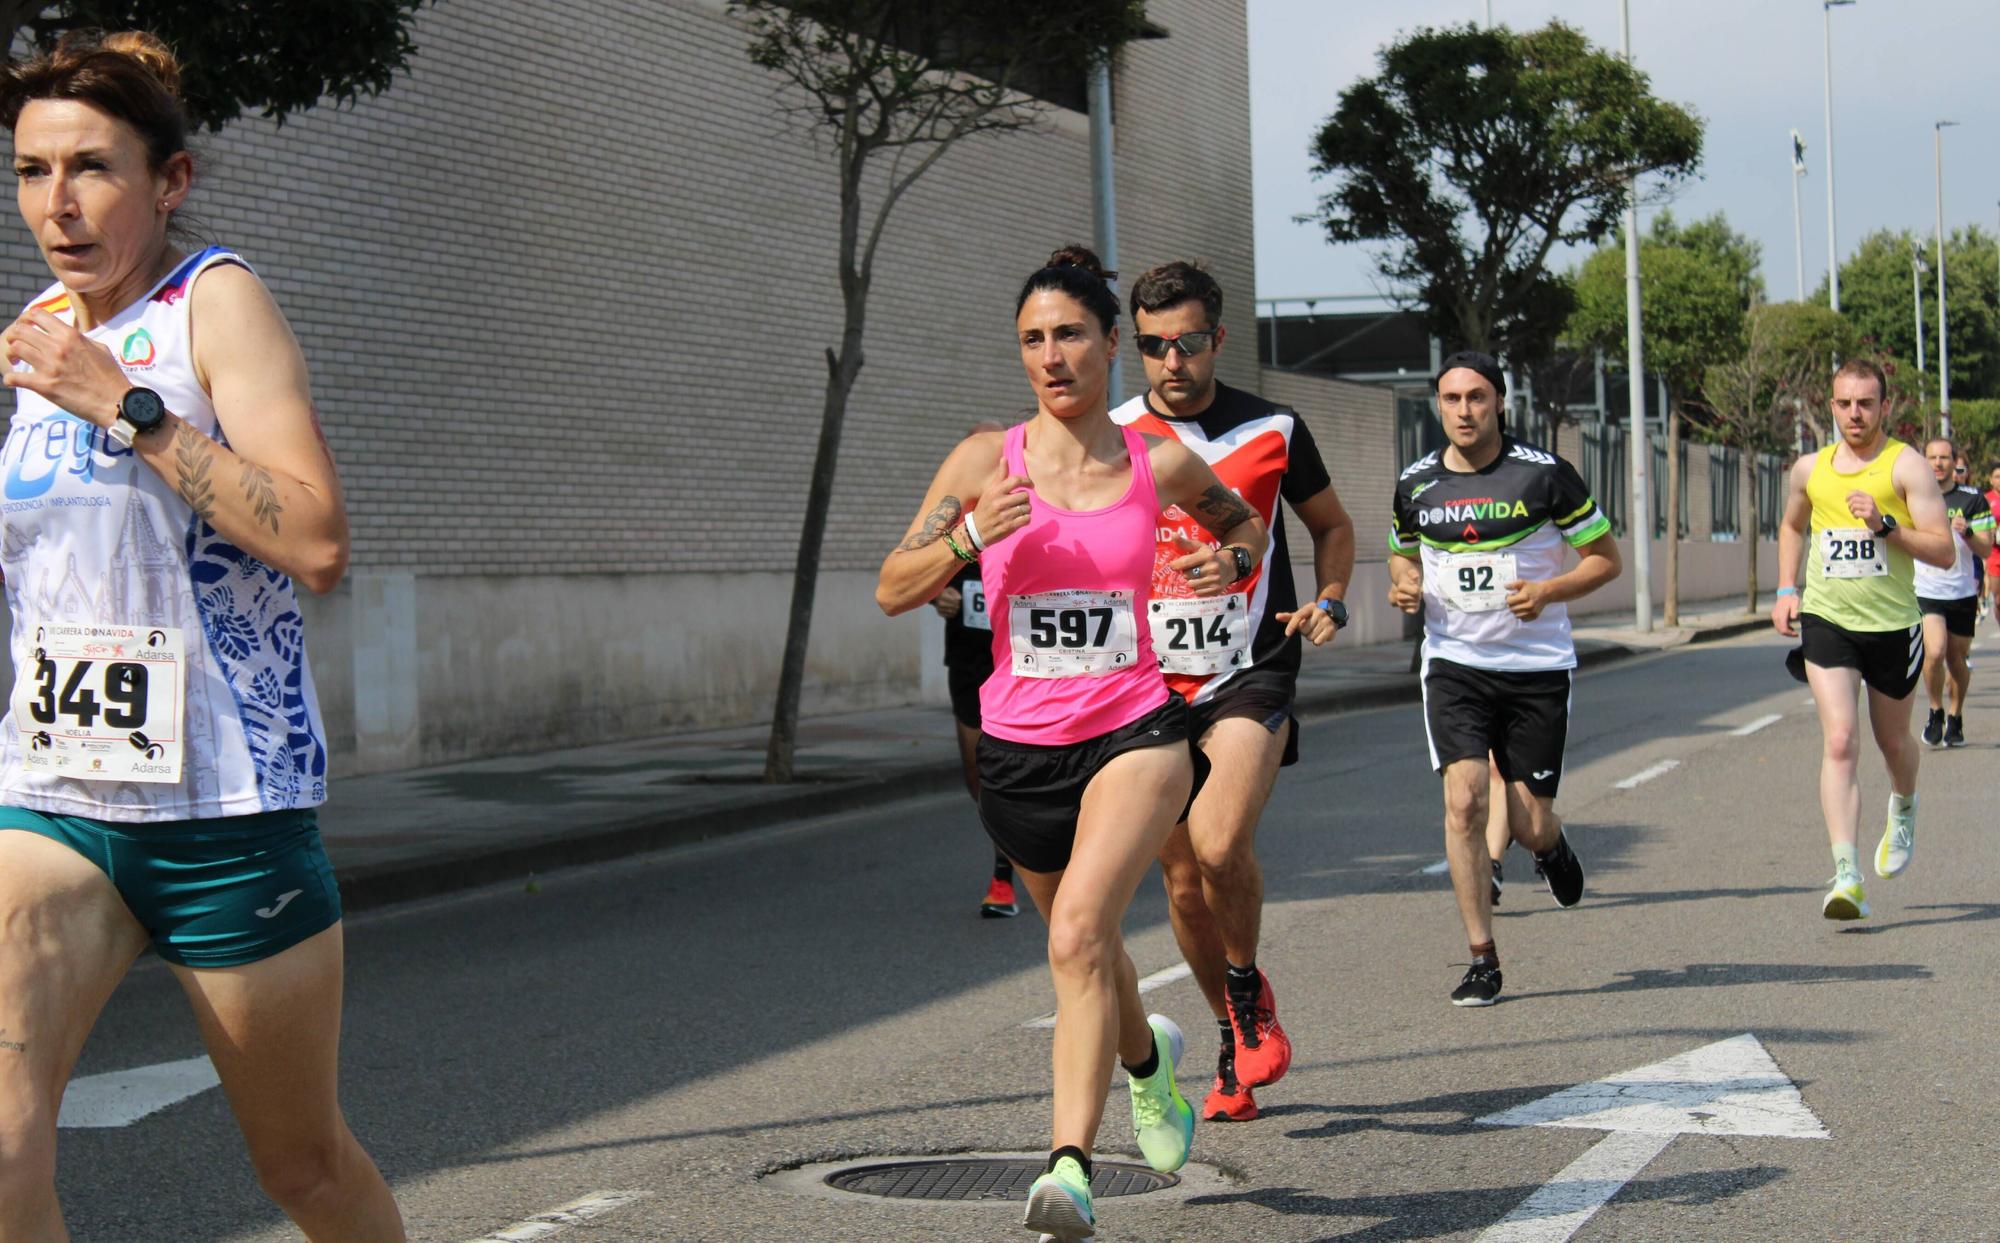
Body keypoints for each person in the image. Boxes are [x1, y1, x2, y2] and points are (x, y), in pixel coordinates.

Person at [0, 31, 403, 1241]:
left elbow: (319, 541)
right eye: (28, 171)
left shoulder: (212, 303)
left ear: (168, 181)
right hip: (53, 796)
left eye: (92, 168)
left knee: (304, 1170)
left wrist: (125, 406)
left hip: (224, 815)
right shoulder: (32, 332)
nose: (57, 205)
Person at [876, 246, 1268, 1242]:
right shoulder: (982, 462)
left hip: (1135, 731)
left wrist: (1226, 555)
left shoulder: (1155, 461)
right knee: (1088, 950)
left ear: (1109, 346)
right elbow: (891, 586)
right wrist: (967, 539)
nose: (1051, 357)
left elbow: (1243, 526)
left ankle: (1068, 1168)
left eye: (1069, 335)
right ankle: (1150, 1069)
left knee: (1072, 935)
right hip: (1018, 750)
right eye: (1032, 340)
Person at [1111, 260, 1354, 1121]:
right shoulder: (1111, 435)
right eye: (1151, 346)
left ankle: (1248, 990)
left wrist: (1326, 597)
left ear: (1217, 336)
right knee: (1180, 883)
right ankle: (1230, 1031)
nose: (1170, 361)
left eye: (1186, 342)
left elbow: (1330, 526)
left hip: (1251, 664)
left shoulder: (1274, 427)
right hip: (1148, 682)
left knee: (1218, 846)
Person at [1388, 352, 1620, 1007]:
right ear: (1439, 404)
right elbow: (1403, 556)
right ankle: (1482, 957)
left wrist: (1548, 589)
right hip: (1455, 664)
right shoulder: (1416, 483)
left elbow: (1606, 560)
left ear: (1499, 402)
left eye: (1478, 398)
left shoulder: (1546, 477)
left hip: (1536, 666)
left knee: (1525, 820)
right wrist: (1403, 585)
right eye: (1452, 398)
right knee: (1464, 801)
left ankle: (1551, 847)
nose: (1465, 410)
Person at [1771, 361, 1952, 920]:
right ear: (1831, 407)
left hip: (1894, 624)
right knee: (1842, 738)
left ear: (1884, 407)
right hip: (1829, 619)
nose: (1855, 413)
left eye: (1866, 404)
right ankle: (1846, 873)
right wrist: (1785, 586)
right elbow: (1793, 525)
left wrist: (1886, 527)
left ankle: (1903, 804)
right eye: (1845, 403)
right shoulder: (1811, 469)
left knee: (1894, 744)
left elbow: (1944, 550)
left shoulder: (1907, 467)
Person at [932, 420, 1019, 917]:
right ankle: (1011, 856)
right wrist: (935, 595)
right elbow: (915, 571)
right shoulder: (950, 513)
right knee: (978, 776)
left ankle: (1004, 876)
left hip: (1024, 662)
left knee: (1016, 770)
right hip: (969, 660)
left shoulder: (1027, 503)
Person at [1914, 438, 1993, 748]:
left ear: (1954, 462)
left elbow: (1986, 548)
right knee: (1933, 652)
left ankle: (1955, 716)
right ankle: (1935, 711)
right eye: (1932, 457)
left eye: (1944, 457)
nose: (1938, 463)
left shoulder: (1972, 499)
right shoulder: (1913, 497)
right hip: (1926, 588)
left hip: (1961, 591)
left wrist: (1968, 531)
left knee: (1956, 658)